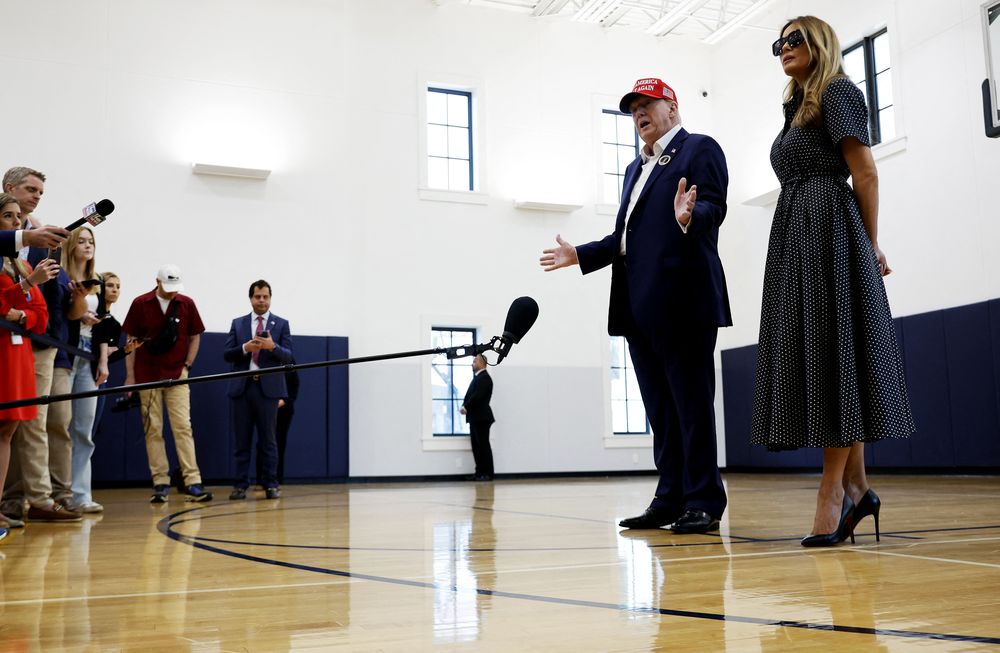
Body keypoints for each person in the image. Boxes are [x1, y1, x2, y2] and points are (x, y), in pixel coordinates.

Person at [540, 77, 731, 534]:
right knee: (661, 413)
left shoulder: (698, 149)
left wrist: (690, 215)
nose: (639, 114)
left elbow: (714, 208)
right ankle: (669, 498)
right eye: (633, 109)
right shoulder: (633, 169)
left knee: (691, 406)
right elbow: (623, 238)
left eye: (648, 104)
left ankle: (704, 499)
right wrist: (580, 254)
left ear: (672, 107)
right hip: (638, 306)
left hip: (684, 300)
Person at [751, 16, 914, 547]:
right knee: (827, 355)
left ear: (819, 42)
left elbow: (865, 172)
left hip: (829, 231)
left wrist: (868, 244)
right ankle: (859, 489)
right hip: (798, 230)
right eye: (778, 43)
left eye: (794, 39)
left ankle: (831, 491)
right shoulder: (794, 104)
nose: (784, 49)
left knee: (833, 353)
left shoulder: (839, 90)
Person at [2, 166, 83, 525]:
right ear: (9, 188)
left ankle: (27, 498)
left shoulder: (36, 238)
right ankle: (29, 498)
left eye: (39, 193)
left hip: (35, 344)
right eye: (30, 189)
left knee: (20, 426)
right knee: (19, 426)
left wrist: (26, 310)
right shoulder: (26, 241)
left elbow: (39, 307)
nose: (35, 197)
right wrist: (21, 305)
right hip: (12, 346)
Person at [122, 264, 213, 503]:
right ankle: (160, 482)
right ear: (157, 282)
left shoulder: (186, 304)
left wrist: (188, 366)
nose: (172, 292)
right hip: (147, 375)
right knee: (153, 429)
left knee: (183, 427)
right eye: (168, 286)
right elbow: (130, 341)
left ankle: (192, 481)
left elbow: (195, 335)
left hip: (177, 374)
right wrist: (130, 377)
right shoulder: (140, 304)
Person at [0, 193, 59, 533]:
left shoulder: (21, 266)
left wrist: (20, 313)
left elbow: (40, 316)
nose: (17, 222)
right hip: (1, 354)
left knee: (8, 430)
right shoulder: (19, 271)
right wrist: (24, 289)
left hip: (19, 354)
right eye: (9, 216)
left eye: (19, 217)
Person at [223, 280, 293, 500]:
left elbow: (289, 357)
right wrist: (245, 348)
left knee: (269, 441)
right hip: (242, 388)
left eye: (265, 296)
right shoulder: (238, 323)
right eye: (257, 296)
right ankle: (240, 485)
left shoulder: (281, 324)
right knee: (241, 441)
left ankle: (270, 484)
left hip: (268, 390)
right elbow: (227, 354)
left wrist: (273, 347)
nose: (261, 300)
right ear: (251, 298)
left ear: (270, 298)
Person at [62, 227, 110, 513]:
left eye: (91, 241)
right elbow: (63, 317)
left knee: (84, 429)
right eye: (81, 241)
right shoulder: (62, 276)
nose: (87, 245)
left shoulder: (99, 281)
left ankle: (82, 494)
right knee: (59, 426)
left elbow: (103, 326)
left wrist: (103, 361)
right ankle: (60, 492)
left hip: (89, 355)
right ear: (70, 246)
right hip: (66, 354)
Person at [256, 364, 299, 486]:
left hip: (284, 410)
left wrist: (284, 401)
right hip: (266, 406)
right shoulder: (263, 358)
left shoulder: (288, 360)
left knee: (279, 443)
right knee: (263, 443)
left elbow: (294, 386)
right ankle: (261, 480)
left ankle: (276, 479)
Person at [460, 354, 495, 481]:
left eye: (474, 361)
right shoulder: (479, 377)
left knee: (483, 446)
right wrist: (465, 406)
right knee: (476, 447)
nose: (472, 364)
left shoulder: (484, 378)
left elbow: (477, 396)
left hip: (482, 418)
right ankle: (479, 473)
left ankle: (488, 474)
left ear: (481, 362)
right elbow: (471, 395)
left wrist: (466, 407)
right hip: (476, 418)